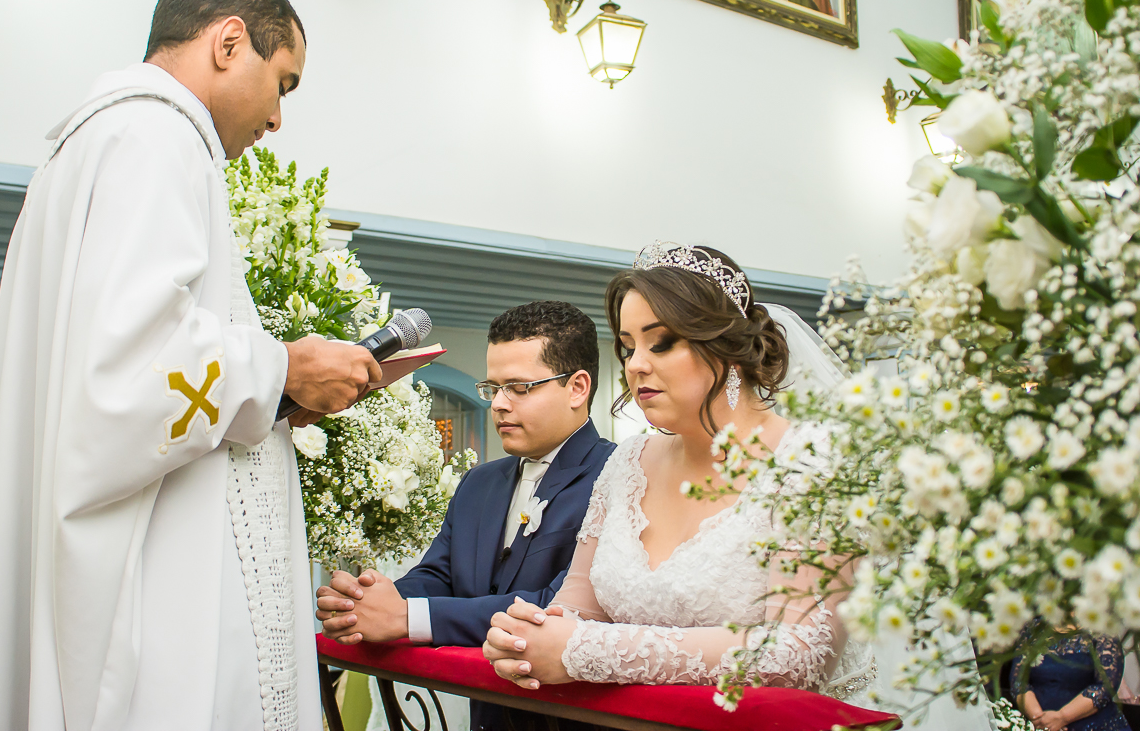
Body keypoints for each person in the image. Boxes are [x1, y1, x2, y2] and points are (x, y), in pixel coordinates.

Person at [0, 0, 381, 731]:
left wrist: (276, 389)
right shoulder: (157, 137)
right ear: (228, 41)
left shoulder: (96, 141)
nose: (279, 117)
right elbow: (132, 368)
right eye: (283, 82)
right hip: (159, 588)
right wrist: (288, 365)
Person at [481, 242, 995, 731]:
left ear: (725, 349)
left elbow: (799, 652)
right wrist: (533, 632)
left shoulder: (814, 463)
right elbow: (580, 605)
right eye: (628, 345)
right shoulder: (627, 464)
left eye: (661, 342)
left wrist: (584, 652)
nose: (636, 364)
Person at [315, 301, 615, 731]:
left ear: (577, 388)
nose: (499, 405)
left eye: (519, 387)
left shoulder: (616, 478)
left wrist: (407, 619)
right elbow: (438, 574)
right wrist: (367, 602)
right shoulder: (480, 483)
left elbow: (558, 606)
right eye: (493, 388)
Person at [1010, 620, 1130, 731]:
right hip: (1038, 724)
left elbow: (1106, 686)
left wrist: (1061, 717)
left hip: (1095, 725)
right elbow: (1018, 680)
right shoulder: (1034, 628)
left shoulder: (1101, 628)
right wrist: (1040, 720)